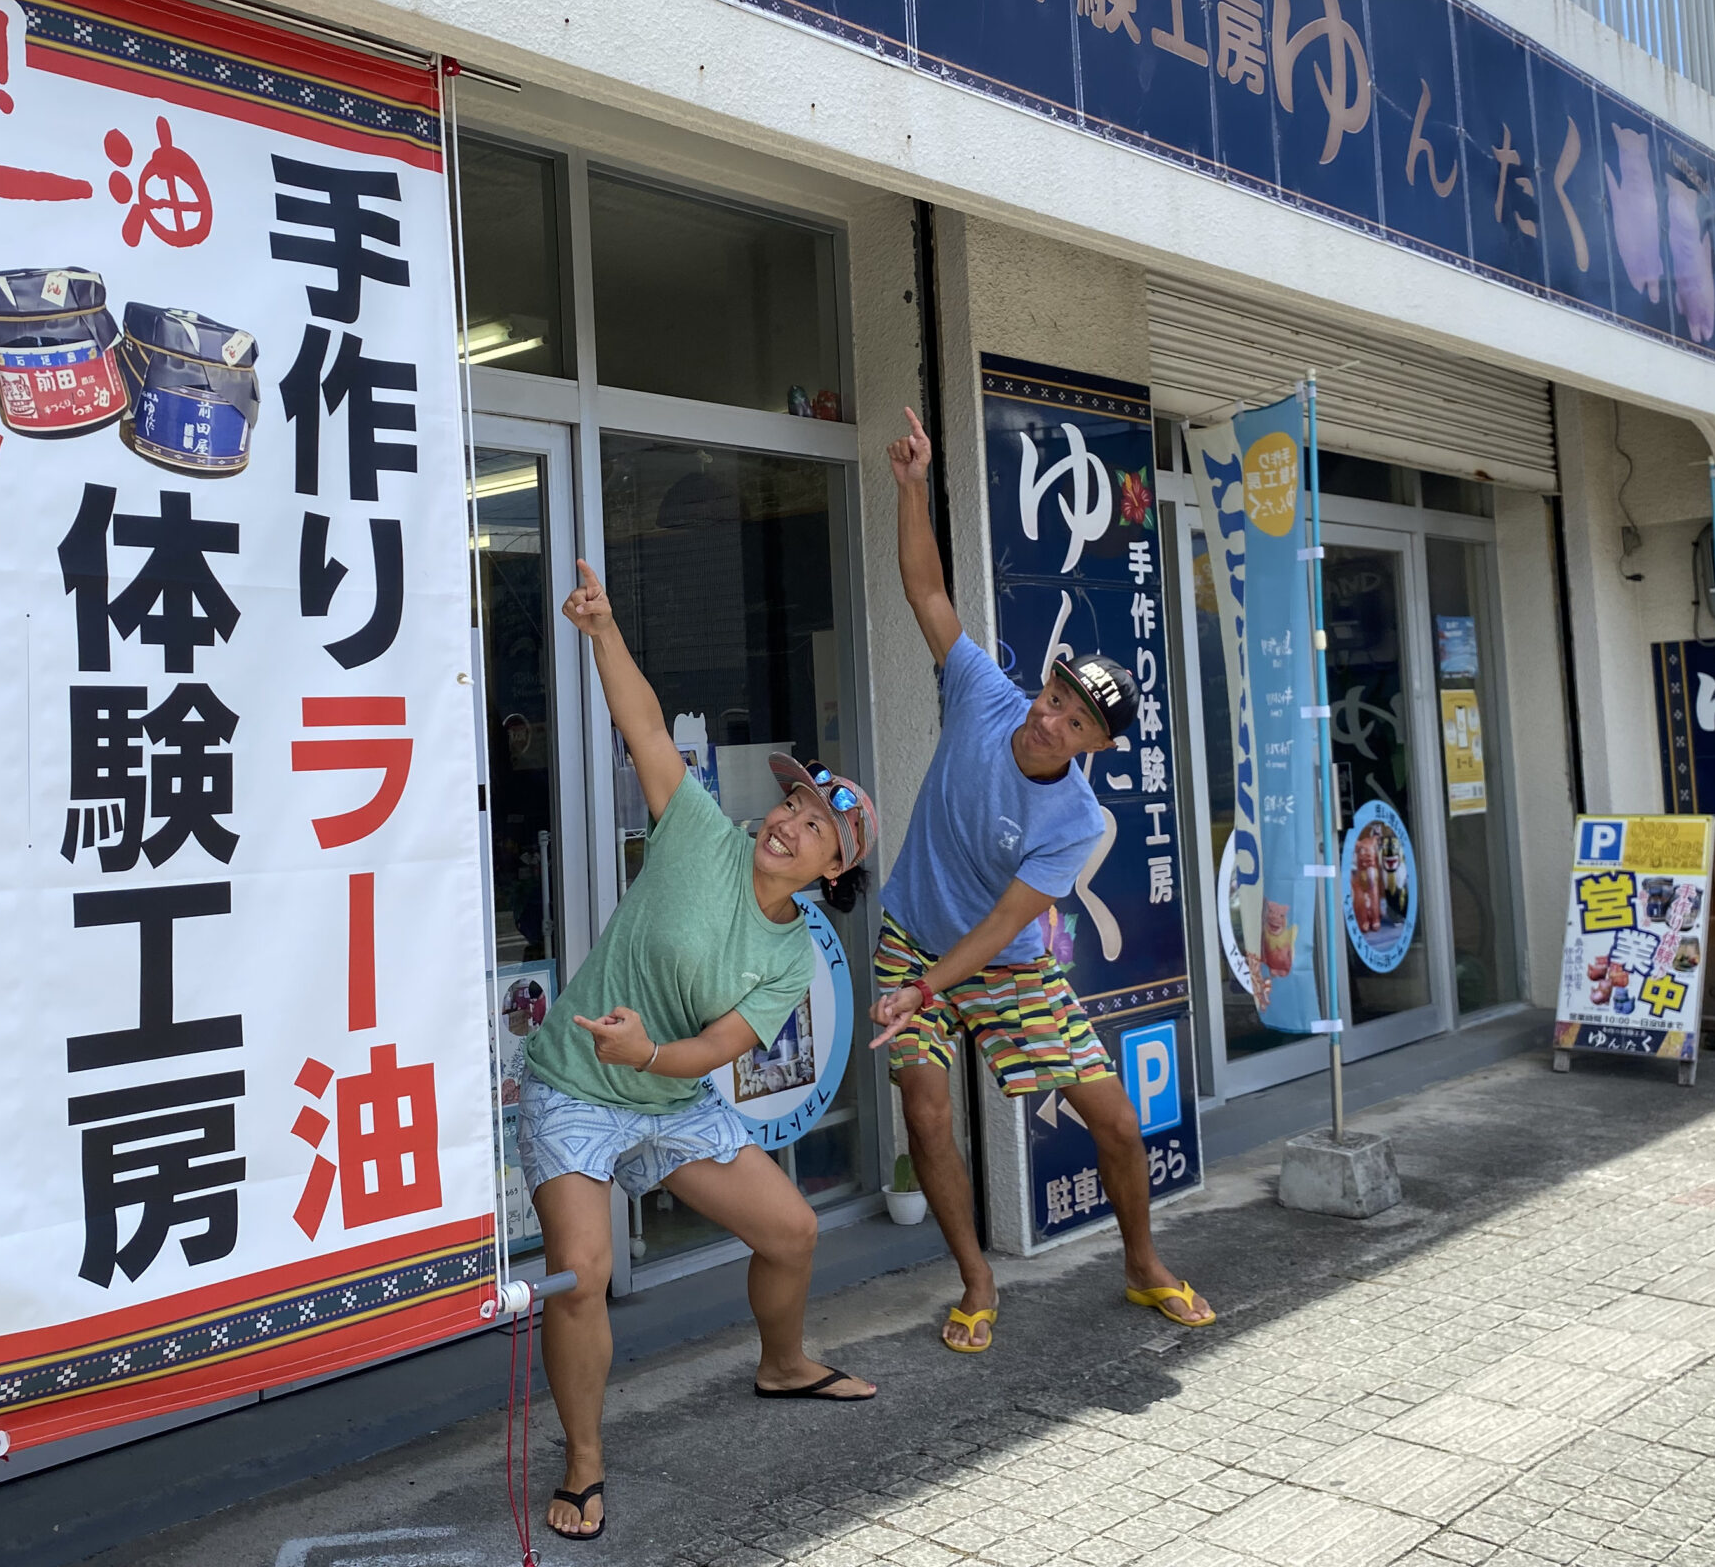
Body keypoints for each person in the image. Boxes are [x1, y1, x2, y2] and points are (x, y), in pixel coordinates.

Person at [519, 559, 880, 1543]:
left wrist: (646, 1056)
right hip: (572, 1087)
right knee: (581, 1271)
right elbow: (642, 723)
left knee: (793, 1232)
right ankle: (585, 1461)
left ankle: (784, 1363)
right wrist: (601, 632)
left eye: (815, 829)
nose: (790, 823)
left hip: (666, 1094)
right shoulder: (698, 832)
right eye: (792, 807)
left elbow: (710, 1053)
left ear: (830, 872)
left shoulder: (790, 958)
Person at [875, 407, 1215, 1354]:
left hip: (997, 960)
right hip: (911, 931)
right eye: (1056, 698)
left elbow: (1000, 928)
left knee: (1111, 1116)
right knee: (927, 1104)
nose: (1050, 721)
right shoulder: (987, 694)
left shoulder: (1077, 823)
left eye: (1073, 723)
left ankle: (1143, 1264)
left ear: (1096, 749)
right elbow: (928, 592)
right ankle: (977, 1278)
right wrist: (911, 487)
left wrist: (927, 991)